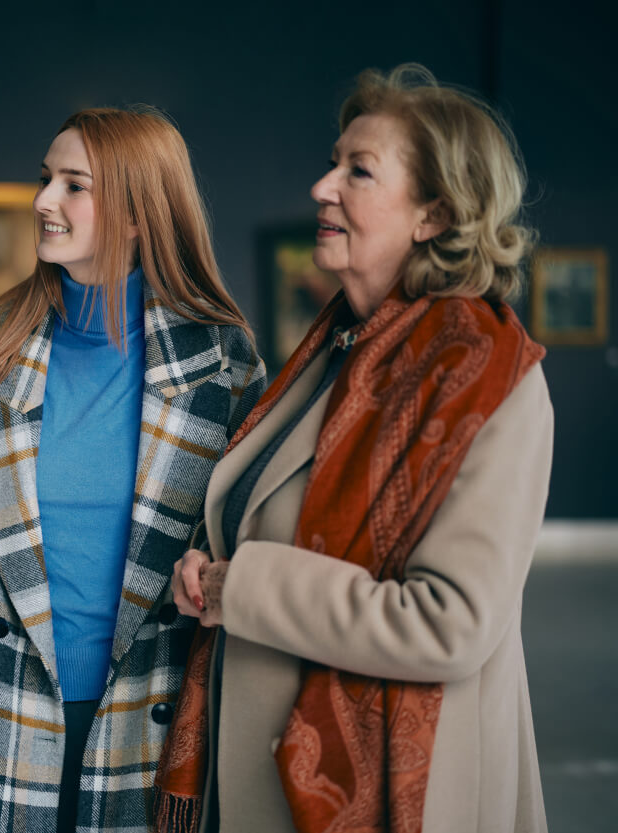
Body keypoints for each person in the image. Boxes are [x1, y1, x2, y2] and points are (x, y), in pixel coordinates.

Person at [160, 64, 552, 833]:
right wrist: (204, 573)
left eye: (357, 171)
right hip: (255, 777)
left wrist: (238, 589)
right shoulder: (337, 348)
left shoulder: (488, 378)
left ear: (434, 214)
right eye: (333, 162)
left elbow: (447, 622)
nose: (321, 186)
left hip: (389, 795)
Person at [0, 106, 267, 833]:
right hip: (8, 692)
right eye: (45, 179)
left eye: (74, 185)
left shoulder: (222, 363)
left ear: (140, 212)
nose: (43, 201)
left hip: (155, 699)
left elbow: (253, 536)